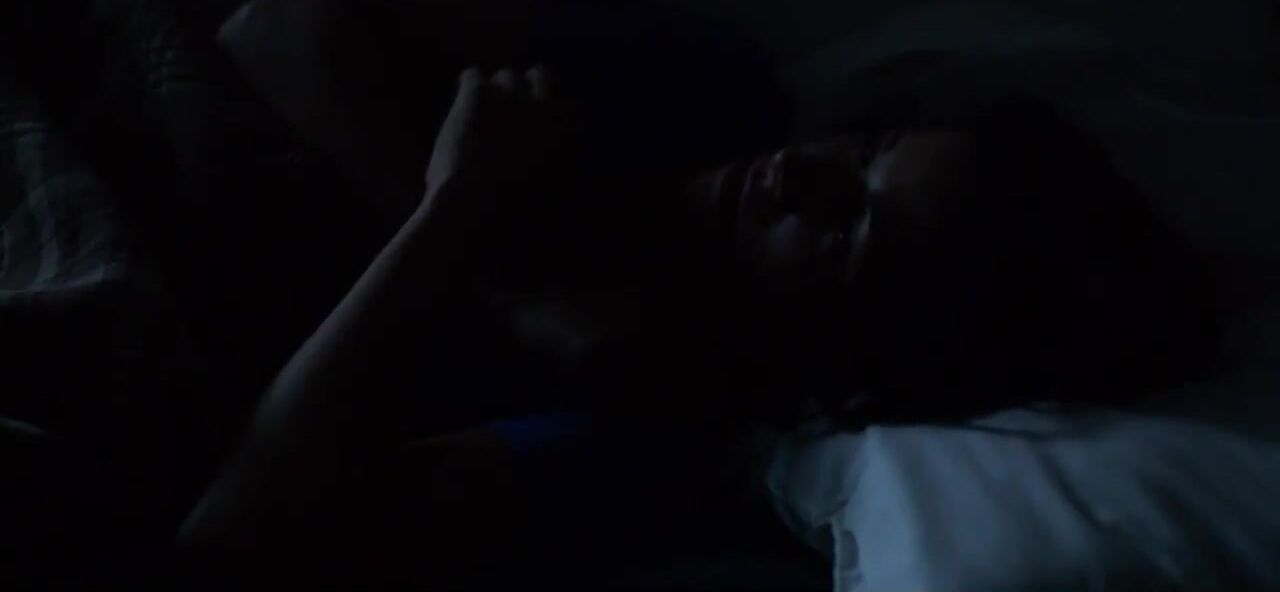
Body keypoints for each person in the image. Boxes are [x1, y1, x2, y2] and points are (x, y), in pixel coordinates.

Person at [177, 60, 1217, 588]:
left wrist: (451, 216)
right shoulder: (705, 89)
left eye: (849, 229)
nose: (800, 172)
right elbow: (274, 30)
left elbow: (226, 543)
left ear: (854, 371)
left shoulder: (636, 446)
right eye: (864, 147)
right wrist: (502, 276)